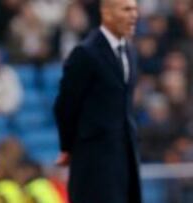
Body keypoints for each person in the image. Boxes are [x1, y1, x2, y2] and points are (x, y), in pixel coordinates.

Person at [54, 0, 142, 203]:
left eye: (135, 9)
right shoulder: (86, 53)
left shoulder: (129, 51)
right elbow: (66, 105)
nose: (134, 15)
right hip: (94, 160)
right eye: (127, 9)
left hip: (125, 157)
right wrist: (68, 146)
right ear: (107, 13)